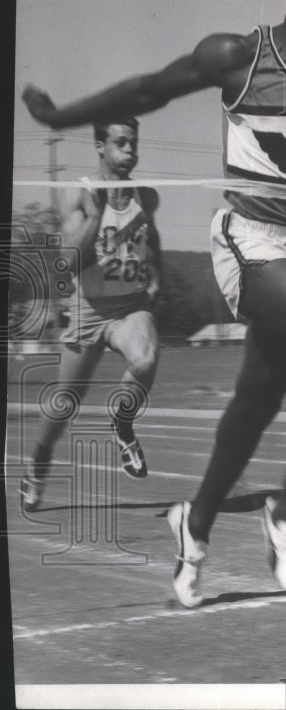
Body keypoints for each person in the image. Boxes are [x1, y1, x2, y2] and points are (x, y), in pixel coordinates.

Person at [24, 0, 286, 606]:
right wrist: (60, 117)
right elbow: (147, 88)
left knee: (254, 405)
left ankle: (194, 527)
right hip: (252, 241)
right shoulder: (239, 57)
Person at [19, 118, 161, 511]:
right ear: (100, 146)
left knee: (146, 358)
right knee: (66, 401)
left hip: (130, 305)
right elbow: (66, 261)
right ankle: (37, 467)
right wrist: (97, 215)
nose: (130, 151)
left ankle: (123, 424)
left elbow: (155, 240)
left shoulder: (146, 196)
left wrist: (156, 278)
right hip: (88, 311)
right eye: (121, 143)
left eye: (134, 143)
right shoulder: (78, 194)